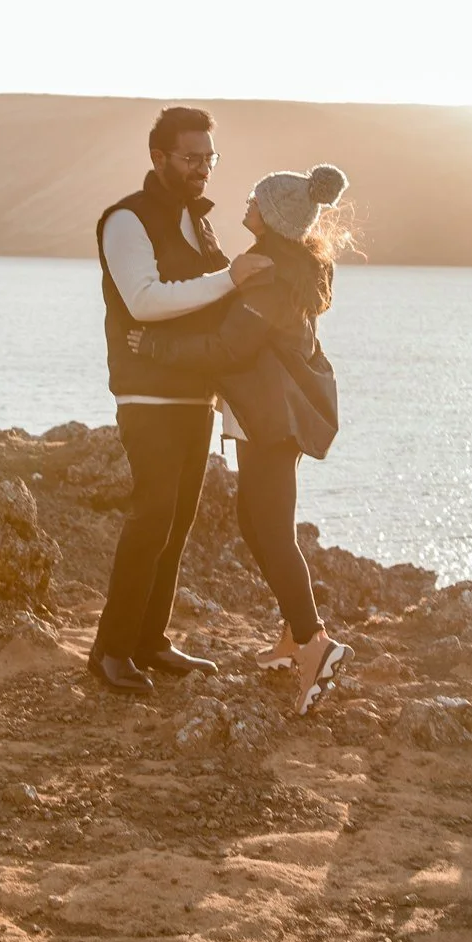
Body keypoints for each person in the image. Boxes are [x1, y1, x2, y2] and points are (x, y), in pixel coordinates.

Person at [129, 164, 353, 715]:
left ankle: (317, 645)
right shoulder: (273, 267)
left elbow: (228, 349)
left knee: (272, 533)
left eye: (256, 199)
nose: (246, 203)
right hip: (265, 418)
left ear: (273, 217)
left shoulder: (273, 279)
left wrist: (155, 349)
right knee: (256, 528)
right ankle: (293, 637)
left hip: (273, 423)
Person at [89, 106, 274, 695]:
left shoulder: (199, 221)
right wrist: (230, 280)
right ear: (158, 157)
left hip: (195, 394)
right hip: (145, 392)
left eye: (209, 159)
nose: (202, 169)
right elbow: (143, 300)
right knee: (151, 518)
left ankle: (150, 642)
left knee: (177, 526)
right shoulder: (126, 220)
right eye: (191, 158)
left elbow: (212, 302)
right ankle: (110, 652)